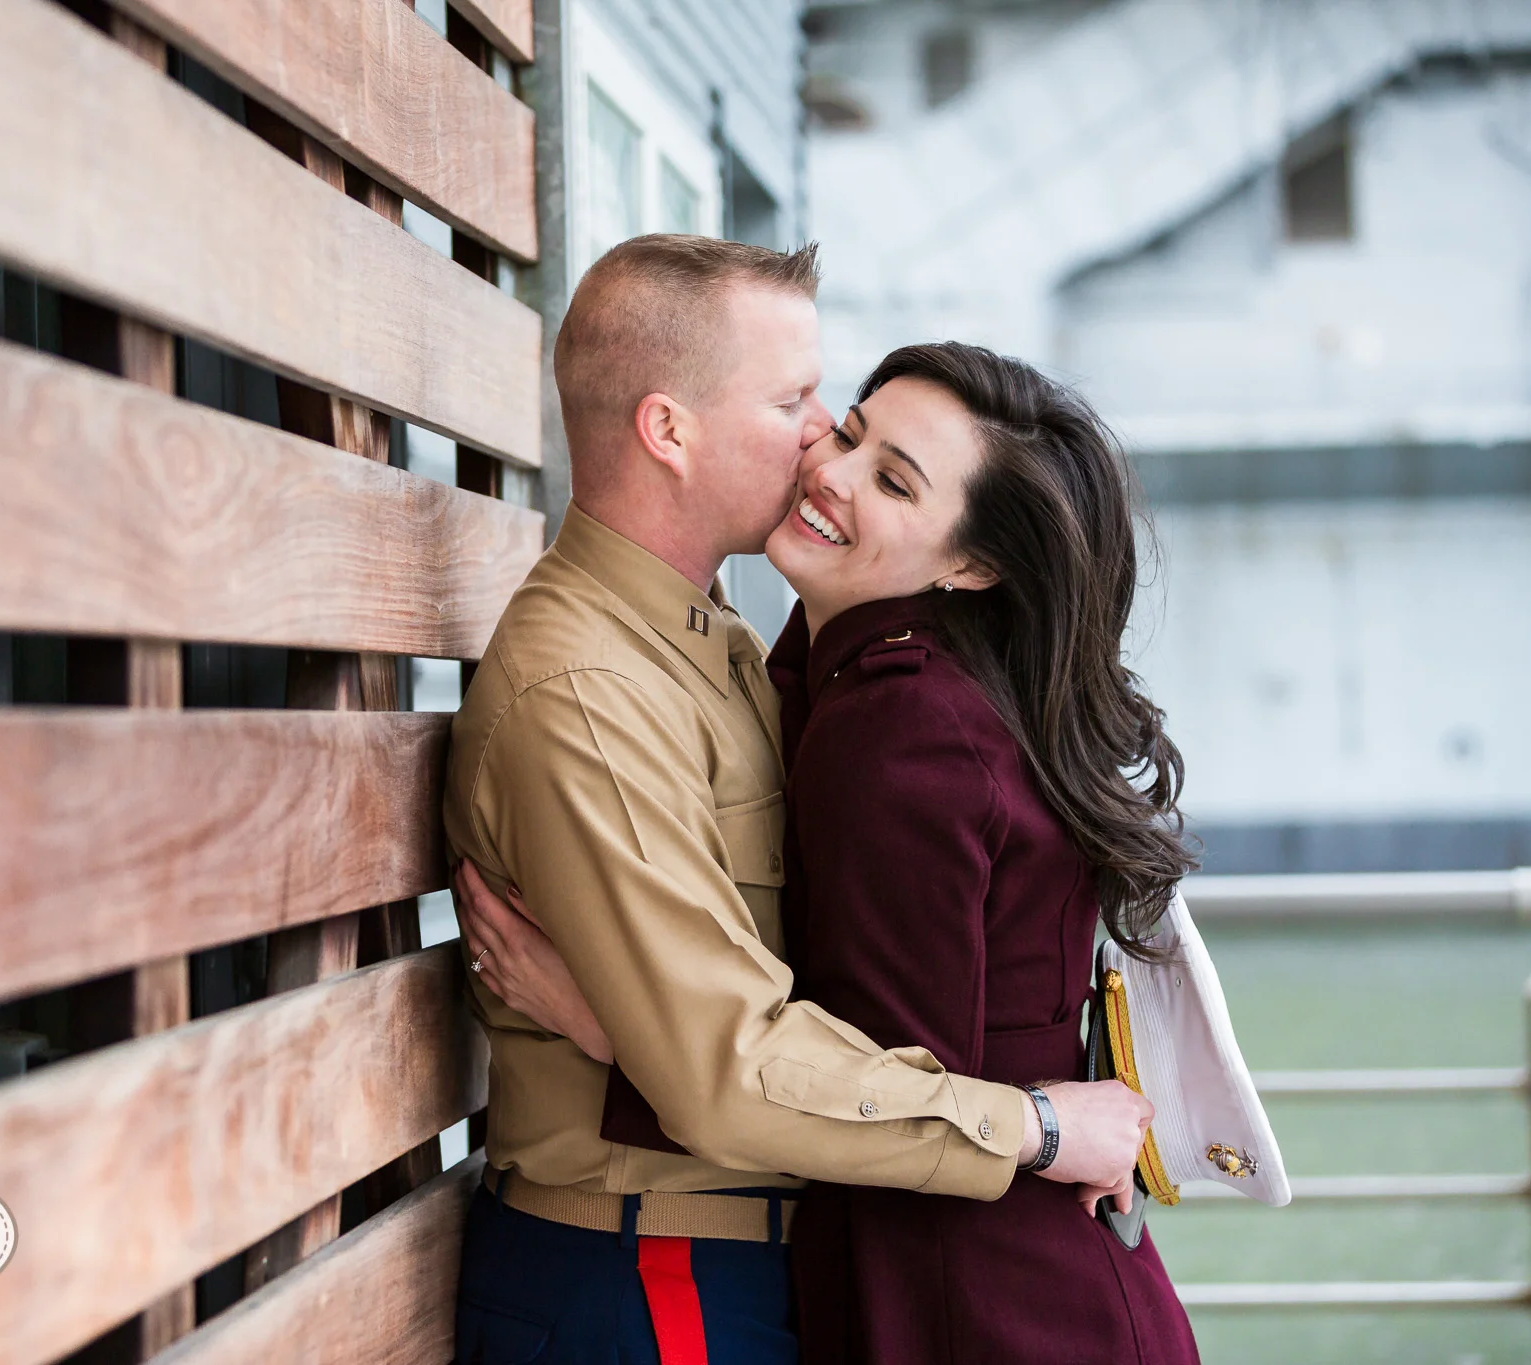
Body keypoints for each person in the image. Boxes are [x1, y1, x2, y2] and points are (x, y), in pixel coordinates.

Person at [443, 234, 1155, 1365]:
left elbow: (788, 1016)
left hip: (757, 1265)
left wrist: (622, 1035)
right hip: (651, 1270)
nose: (820, 433)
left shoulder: (734, 645)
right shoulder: (585, 692)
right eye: (797, 399)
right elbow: (725, 1070)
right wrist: (1038, 1124)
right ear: (667, 430)